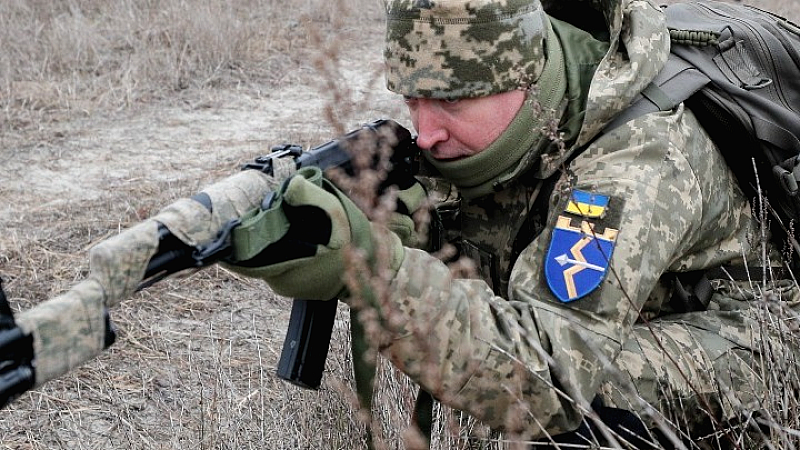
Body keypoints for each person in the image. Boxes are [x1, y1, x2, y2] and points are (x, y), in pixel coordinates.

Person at [225, 0, 800, 447]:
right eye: (412, 100)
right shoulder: (516, 118)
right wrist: (405, 226)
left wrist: (381, 273)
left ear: (528, 81)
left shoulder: (635, 163)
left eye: (451, 100)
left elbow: (548, 379)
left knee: (590, 401)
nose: (425, 133)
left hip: (754, 332)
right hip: (649, 295)